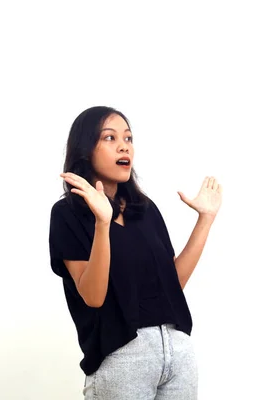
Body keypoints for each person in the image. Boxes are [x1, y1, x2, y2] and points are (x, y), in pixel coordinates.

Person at [48, 106, 222, 399]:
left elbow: (172, 285)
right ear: (85, 147)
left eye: (128, 138)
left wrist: (205, 220)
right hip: (123, 355)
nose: (123, 145)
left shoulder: (145, 209)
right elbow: (93, 296)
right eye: (109, 138)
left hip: (176, 350)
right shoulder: (68, 213)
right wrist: (102, 224)